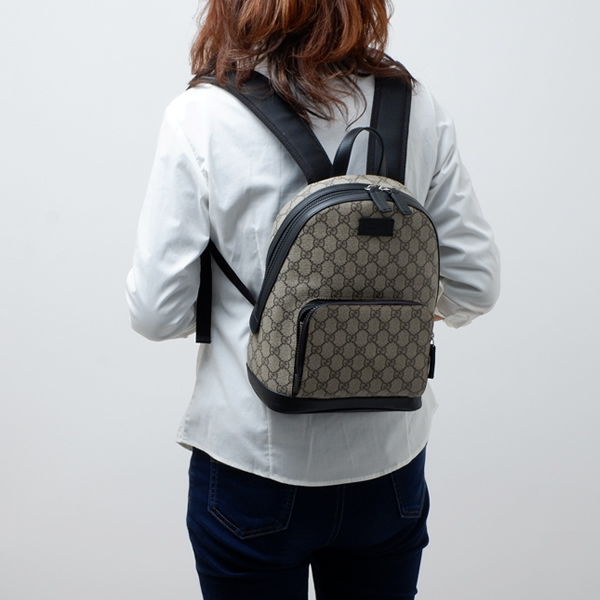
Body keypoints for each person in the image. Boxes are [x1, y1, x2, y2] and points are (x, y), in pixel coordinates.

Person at [126, 0, 500, 598]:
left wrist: (266, 312)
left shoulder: (202, 115)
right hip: (388, 463)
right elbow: (475, 285)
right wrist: (379, 314)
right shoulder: (415, 104)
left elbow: (155, 312)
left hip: (253, 458)